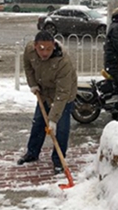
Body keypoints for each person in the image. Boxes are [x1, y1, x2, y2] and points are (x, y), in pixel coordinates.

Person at [18, 30, 77, 174]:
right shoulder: (29, 50)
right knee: (38, 122)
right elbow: (27, 67)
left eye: (49, 49)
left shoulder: (63, 62)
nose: (45, 53)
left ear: (54, 45)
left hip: (64, 94)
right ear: (35, 46)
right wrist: (33, 84)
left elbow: (63, 93)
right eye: (41, 49)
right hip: (43, 92)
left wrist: (53, 119)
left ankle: (58, 160)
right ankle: (32, 153)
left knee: (60, 129)